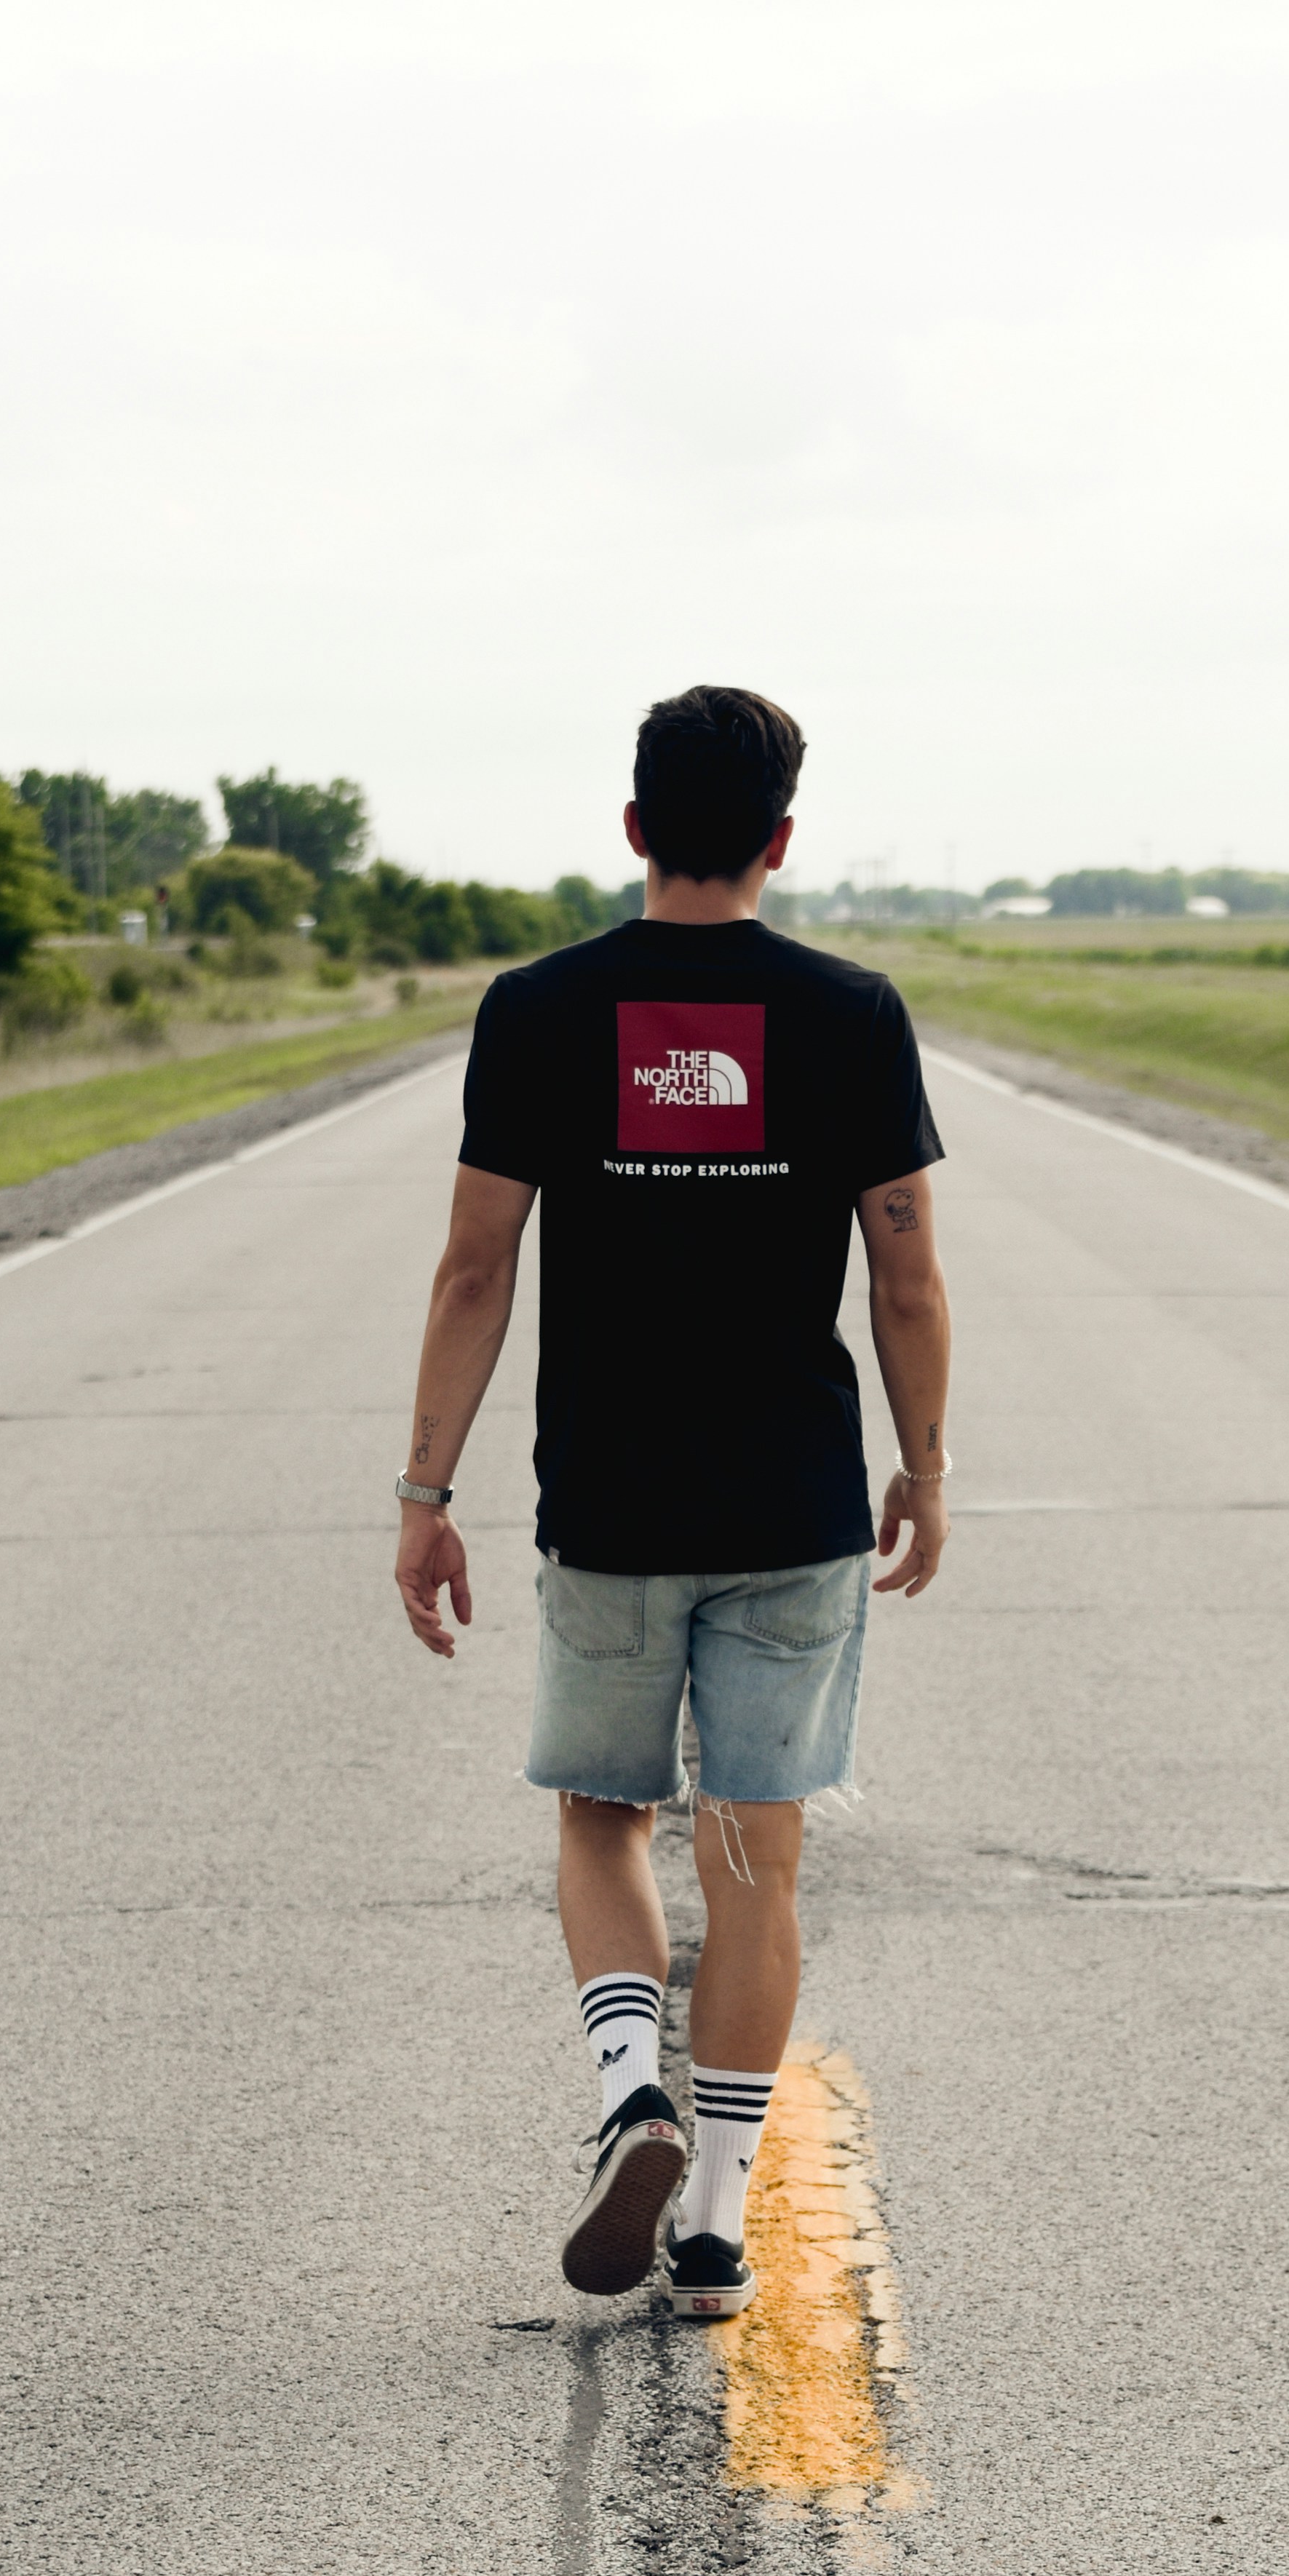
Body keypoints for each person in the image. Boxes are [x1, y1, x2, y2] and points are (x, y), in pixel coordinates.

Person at [391, 685, 952, 2318]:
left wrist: (425, 1488)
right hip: (790, 1504)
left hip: (615, 1504)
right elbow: (904, 1275)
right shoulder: (851, 1011)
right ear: (779, 839)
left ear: (633, 826)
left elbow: (474, 1262)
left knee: (600, 1811)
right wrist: (922, 1461)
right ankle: (711, 2222)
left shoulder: (539, 1006)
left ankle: (627, 2077)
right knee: (756, 1858)